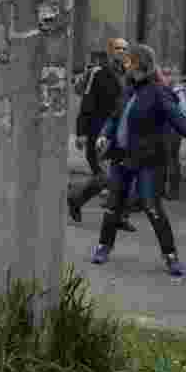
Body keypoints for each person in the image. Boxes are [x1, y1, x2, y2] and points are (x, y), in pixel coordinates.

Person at [90, 44, 186, 279]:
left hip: (148, 160)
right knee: (113, 206)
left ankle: (170, 256)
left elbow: (176, 117)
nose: (125, 65)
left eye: (129, 61)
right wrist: (104, 135)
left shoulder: (158, 92)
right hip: (121, 157)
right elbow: (114, 118)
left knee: (152, 207)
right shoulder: (128, 90)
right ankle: (104, 247)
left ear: (141, 63)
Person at [68, 37, 135, 230]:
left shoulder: (130, 75)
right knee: (104, 176)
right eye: (118, 48)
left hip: (123, 134)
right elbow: (87, 102)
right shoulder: (99, 73)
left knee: (123, 175)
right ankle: (75, 199)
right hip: (99, 133)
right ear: (110, 51)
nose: (121, 52)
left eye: (124, 48)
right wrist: (81, 132)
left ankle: (120, 216)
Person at [159, 65, 186, 200]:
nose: (165, 77)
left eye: (168, 74)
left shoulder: (177, 91)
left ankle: (173, 190)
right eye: (164, 74)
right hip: (165, 129)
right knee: (164, 160)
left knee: (172, 160)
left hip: (173, 130)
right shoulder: (166, 90)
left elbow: (182, 111)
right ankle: (162, 189)